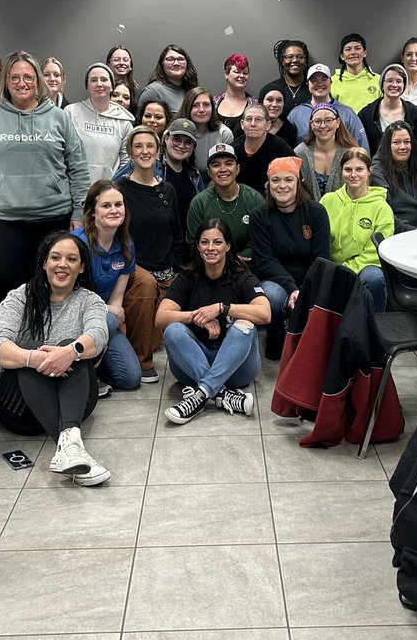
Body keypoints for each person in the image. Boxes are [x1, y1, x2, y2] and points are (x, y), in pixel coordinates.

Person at [0, 51, 90, 309]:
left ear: (37, 81)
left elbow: (79, 168)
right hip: (5, 218)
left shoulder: (58, 117)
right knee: (7, 285)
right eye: (14, 77)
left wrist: (80, 211)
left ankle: (50, 333)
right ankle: (10, 339)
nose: (21, 83)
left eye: (27, 77)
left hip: (53, 216)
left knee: (53, 283)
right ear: (5, 82)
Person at [0, 231, 111, 486]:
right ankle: (70, 444)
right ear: (44, 262)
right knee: (31, 347)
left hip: (75, 405)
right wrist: (34, 358)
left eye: (71, 259)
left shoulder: (90, 301)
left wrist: (69, 353)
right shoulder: (19, 297)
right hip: (18, 408)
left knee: (73, 346)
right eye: (55, 257)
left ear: (82, 266)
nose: (62, 264)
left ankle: (68, 444)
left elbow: (98, 336)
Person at [156, 219, 270, 424]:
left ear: (227, 246)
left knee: (245, 325)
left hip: (237, 368)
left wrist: (221, 308)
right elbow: (160, 317)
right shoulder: (187, 277)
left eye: (217, 242)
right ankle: (221, 394)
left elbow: (265, 313)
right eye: (204, 242)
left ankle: (200, 394)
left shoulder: (242, 276)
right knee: (172, 330)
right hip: (192, 364)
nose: (210, 248)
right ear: (198, 246)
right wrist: (196, 317)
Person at [115, 126, 183, 382]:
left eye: (150, 146)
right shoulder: (120, 189)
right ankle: (142, 361)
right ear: (130, 152)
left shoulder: (167, 190)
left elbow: (176, 231)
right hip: (135, 270)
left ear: (158, 151)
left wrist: (177, 268)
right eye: (138, 146)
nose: (145, 151)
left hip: (166, 268)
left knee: (160, 332)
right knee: (146, 286)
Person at [248, 156, 330, 360]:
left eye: (288, 179)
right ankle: (275, 337)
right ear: (268, 184)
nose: (282, 185)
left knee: (317, 296)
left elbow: (321, 258)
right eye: (275, 180)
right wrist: (292, 288)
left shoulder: (316, 211)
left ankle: (303, 340)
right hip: (275, 278)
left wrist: (304, 288)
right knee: (272, 297)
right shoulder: (259, 215)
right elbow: (265, 260)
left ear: (299, 181)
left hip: (309, 276)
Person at [71, 181, 143, 392]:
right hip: (76, 319)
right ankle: (84, 372)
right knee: (109, 318)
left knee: (130, 378)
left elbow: (116, 299)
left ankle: (91, 366)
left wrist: (113, 312)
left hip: (105, 323)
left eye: (118, 205)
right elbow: (69, 297)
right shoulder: (77, 244)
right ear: (92, 212)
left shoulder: (126, 244)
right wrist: (109, 312)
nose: (114, 210)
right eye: (106, 205)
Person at [321, 148, 394, 312]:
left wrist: (348, 269)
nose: (353, 174)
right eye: (348, 169)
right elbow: (319, 240)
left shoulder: (381, 207)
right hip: (333, 264)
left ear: (370, 171)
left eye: (359, 169)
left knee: (373, 278)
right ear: (341, 172)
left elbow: (376, 250)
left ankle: (376, 325)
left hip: (366, 267)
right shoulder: (327, 200)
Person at [186, 143, 263, 259]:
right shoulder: (199, 203)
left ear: (237, 169)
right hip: (209, 265)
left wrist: (240, 259)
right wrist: (227, 259)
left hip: (248, 267)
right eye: (216, 165)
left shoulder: (254, 198)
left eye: (229, 164)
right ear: (209, 172)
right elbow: (192, 243)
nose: (223, 169)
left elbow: (262, 238)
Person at [66, 63, 135, 183]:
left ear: (112, 86)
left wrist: (112, 189)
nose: (99, 84)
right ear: (87, 86)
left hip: (109, 192)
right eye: (93, 80)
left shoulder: (124, 121)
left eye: (104, 79)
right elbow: (63, 153)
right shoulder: (71, 112)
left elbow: (126, 162)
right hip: (75, 189)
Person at [359, 63, 417, 167]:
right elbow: (361, 149)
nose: (394, 85)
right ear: (382, 84)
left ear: (404, 85)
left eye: (399, 81)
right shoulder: (366, 114)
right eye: (390, 81)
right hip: (377, 171)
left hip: (408, 170)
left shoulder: (415, 113)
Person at [287, 63, 369, 150]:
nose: (319, 83)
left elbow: (362, 147)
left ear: (331, 82)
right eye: (314, 80)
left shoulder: (347, 113)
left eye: (324, 79)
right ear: (308, 84)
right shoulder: (295, 114)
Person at [373, 121, 417, 233]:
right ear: (387, 145)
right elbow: (384, 213)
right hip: (401, 232)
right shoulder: (378, 172)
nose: (403, 147)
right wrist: (412, 231)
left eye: (407, 142)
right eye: (396, 142)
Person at [296, 101, 359, 200]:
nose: (323, 126)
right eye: (317, 121)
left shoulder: (351, 153)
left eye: (328, 120)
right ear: (311, 125)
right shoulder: (300, 153)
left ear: (337, 122)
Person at [234, 103, 293, 193]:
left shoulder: (280, 147)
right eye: (249, 119)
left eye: (258, 120)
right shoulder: (233, 149)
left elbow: (296, 179)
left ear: (268, 125)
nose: (253, 124)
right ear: (242, 124)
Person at [177, 87, 233, 172]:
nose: (202, 110)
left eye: (206, 105)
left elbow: (226, 169)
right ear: (187, 108)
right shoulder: (174, 133)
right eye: (195, 105)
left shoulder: (224, 133)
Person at [258, 39, 312, 121]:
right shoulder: (272, 90)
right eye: (289, 57)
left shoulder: (313, 89)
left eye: (300, 57)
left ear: (305, 61)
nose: (295, 60)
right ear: (282, 61)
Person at [138, 44, 197, 113]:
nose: (176, 63)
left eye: (180, 59)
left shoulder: (192, 90)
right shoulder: (154, 91)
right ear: (162, 64)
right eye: (170, 59)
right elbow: (140, 120)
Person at [331, 32, 381, 114]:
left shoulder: (378, 80)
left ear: (365, 53)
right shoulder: (332, 82)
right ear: (342, 56)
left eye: (357, 48)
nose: (353, 52)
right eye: (348, 49)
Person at [214, 53, 257, 135]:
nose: (241, 76)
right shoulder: (214, 103)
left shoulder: (254, 104)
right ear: (226, 74)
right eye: (237, 72)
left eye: (245, 73)